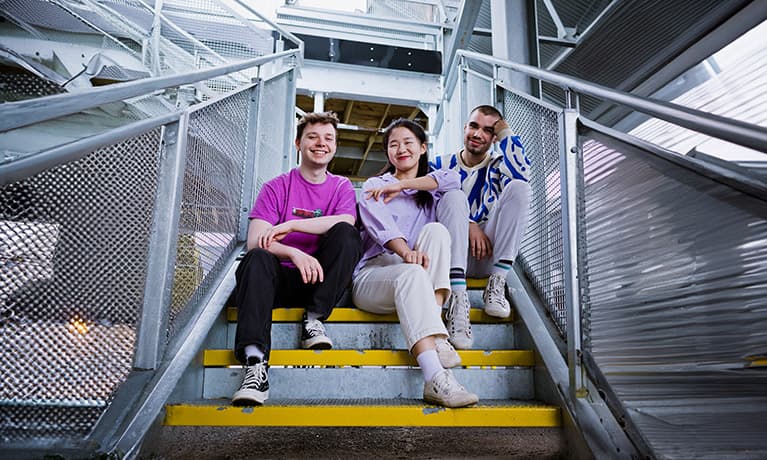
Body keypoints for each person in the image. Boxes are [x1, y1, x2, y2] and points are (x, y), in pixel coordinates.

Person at [232, 111, 362, 406]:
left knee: (346, 234)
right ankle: (255, 365)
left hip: (320, 283)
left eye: (328, 138)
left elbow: (345, 221)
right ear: (298, 143)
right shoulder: (276, 187)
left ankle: (314, 319)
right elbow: (256, 239)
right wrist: (294, 251)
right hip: (277, 280)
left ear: (335, 146)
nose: (321, 143)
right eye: (313, 137)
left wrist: (291, 226)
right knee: (256, 259)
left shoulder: (341, 186)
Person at [352, 118, 479, 408]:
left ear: (423, 148)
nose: (401, 149)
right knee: (410, 273)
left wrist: (405, 184)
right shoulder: (375, 186)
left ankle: (434, 331)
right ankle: (435, 377)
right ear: (387, 153)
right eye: (393, 145)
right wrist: (405, 252)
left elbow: (454, 180)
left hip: (417, 276)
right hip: (375, 276)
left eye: (408, 143)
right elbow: (381, 227)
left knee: (437, 231)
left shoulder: (430, 191)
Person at [430, 105, 531, 349]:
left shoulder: (498, 165)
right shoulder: (439, 164)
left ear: (494, 138)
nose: (478, 134)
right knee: (452, 197)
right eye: (474, 126)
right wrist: (469, 223)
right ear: (465, 127)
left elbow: (523, 174)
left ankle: (497, 283)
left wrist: (506, 134)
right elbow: (429, 207)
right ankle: (457, 299)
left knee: (519, 188)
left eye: (488, 130)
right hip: (451, 258)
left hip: (488, 255)